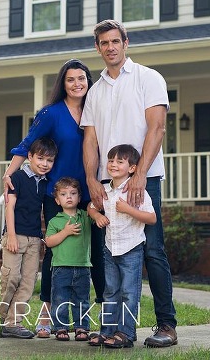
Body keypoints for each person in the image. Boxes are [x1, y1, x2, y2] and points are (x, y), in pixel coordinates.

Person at [81, 19, 178, 348]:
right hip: (108, 185)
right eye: (103, 43)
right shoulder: (94, 92)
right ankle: (113, 330)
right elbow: (91, 140)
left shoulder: (148, 78)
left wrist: (139, 175)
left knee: (152, 251)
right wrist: (92, 180)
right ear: (98, 48)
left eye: (115, 41)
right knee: (109, 255)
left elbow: (157, 129)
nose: (110, 47)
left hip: (143, 180)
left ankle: (166, 324)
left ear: (126, 42)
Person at [3, 59, 105, 339]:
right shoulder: (50, 113)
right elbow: (28, 143)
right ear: (63, 83)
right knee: (54, 257)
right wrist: (9, 173)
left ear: (88, 81)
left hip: (89, 194)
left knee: (95, 253)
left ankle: (101, 318)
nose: (77, 84)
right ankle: (46, 315)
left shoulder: (95, 110)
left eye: (81, 78)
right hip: (56, 195)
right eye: (70, 79)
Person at [87, 144, 156, 348]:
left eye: (119, 161)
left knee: (129, 293)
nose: (113, 164)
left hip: (131, 249)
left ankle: (125, 333)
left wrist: (128, 209)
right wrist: (97, 215)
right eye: (111, 160)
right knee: (110, 292)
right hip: (110, 248)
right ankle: (106, 331)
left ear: (132, 168)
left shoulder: (136, 191)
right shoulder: (105, 189)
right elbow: (90, 206)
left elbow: (151, 218)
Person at [0, 137, 57, 339]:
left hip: (34, 238)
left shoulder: (45, 183)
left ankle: (14, 323)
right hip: (15, 235)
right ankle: (4, 315)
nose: (44, 164)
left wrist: (40, 239)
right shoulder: (17, 177)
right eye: (40, 158)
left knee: (28, 282)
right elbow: (10, 207)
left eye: (49, 161)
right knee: (11, 278)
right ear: (30, 157)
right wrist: (12, 236)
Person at [44, 177, 92, 342]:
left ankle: (82, 327)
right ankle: (60, 328)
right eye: (64, 194)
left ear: (79, 197)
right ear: (57, 200)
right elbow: (49, 242)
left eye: (73, 193)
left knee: (82, 299)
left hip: (83, 266)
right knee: (60, 299)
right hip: (60, 267)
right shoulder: (55, 221)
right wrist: (65, 232)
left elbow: (96, 209)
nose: (69, 197)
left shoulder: (85, 216)